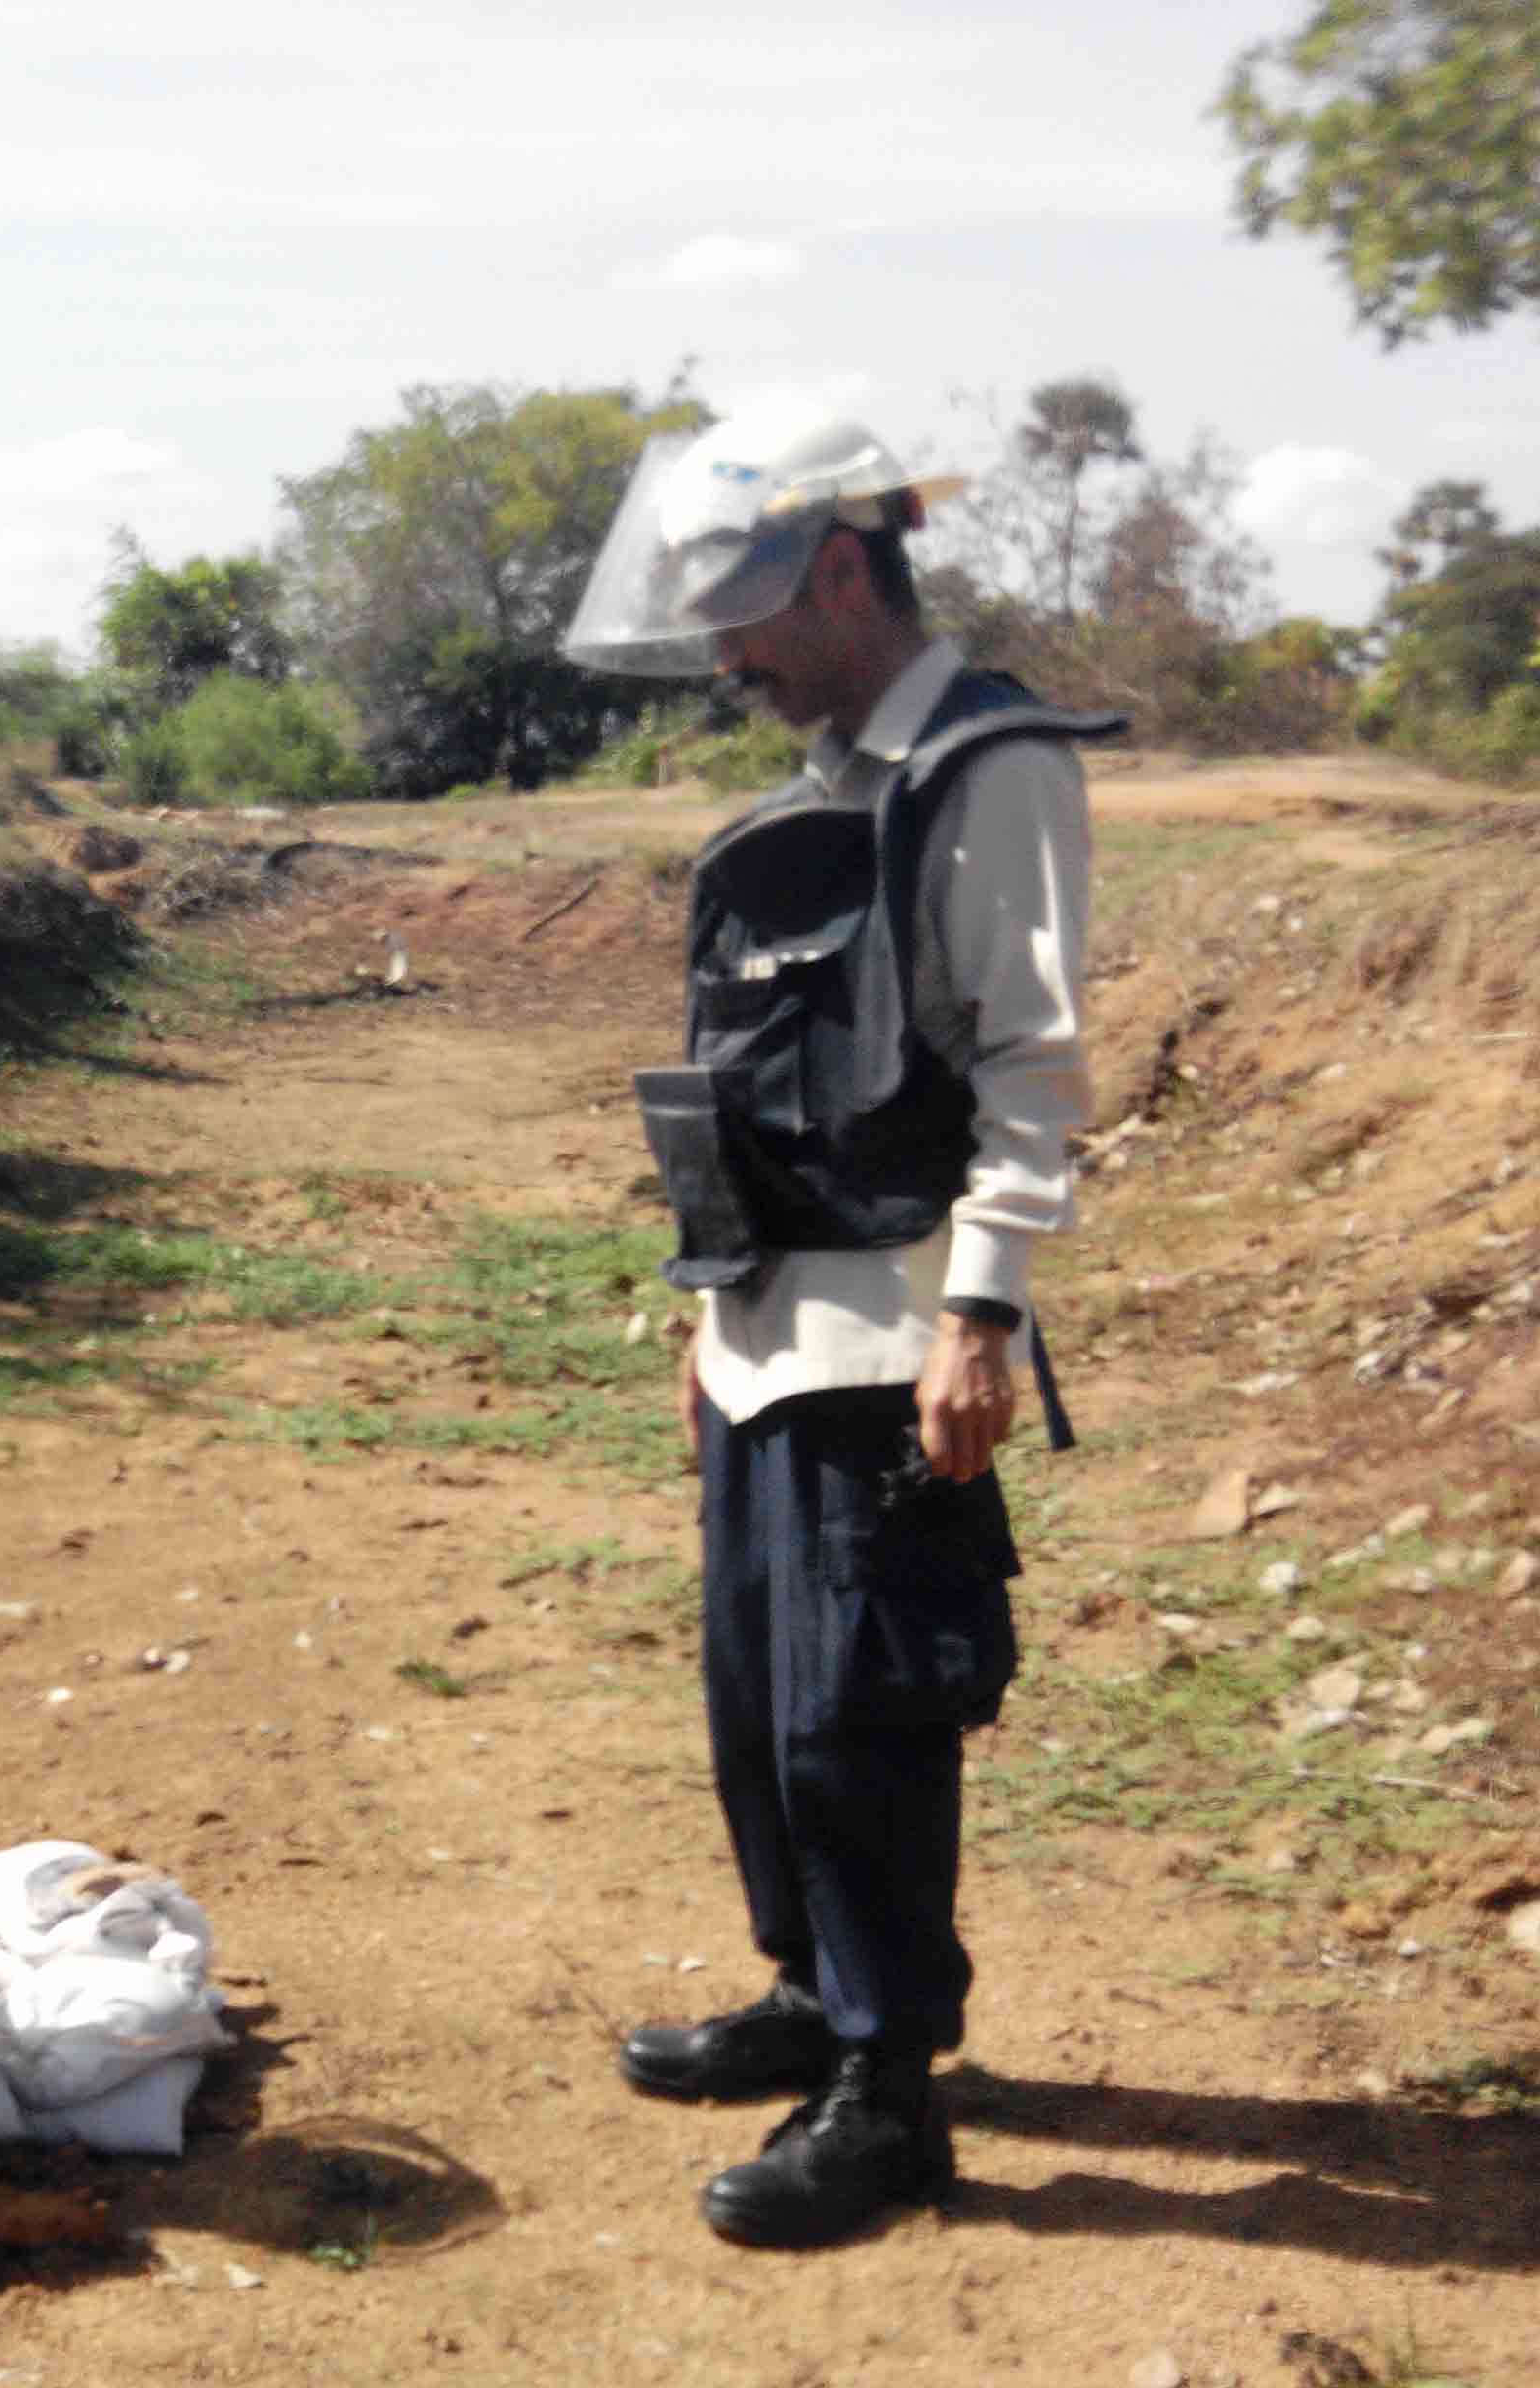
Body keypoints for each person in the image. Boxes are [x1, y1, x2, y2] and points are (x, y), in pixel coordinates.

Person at [562, 396, 1118, 2249]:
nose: (724, 655)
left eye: (746, 613)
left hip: (892, 1341)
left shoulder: (989, 765)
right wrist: (710, 1301)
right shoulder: (837, 775)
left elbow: (1030, 1065)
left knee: (854, 1721)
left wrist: (982, 1312)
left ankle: (888, 2095)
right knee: (754, 1708)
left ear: (844, 566)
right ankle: (811, 1991)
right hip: (766, 1331)